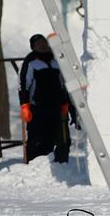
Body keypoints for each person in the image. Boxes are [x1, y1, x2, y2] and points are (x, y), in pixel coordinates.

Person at [19, 34, 71, 163]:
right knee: (37, 139)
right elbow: (23, 85)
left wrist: (65, 102)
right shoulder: (30, 62)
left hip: (56, 106)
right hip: (37, 108)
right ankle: (33, 164)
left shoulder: (56, 60)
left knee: (57, 137)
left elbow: (63, 83)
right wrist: (24, 105)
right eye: (38, 44)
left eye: (44, 42)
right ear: (33, 47)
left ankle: (57, 165)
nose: (42, 45)